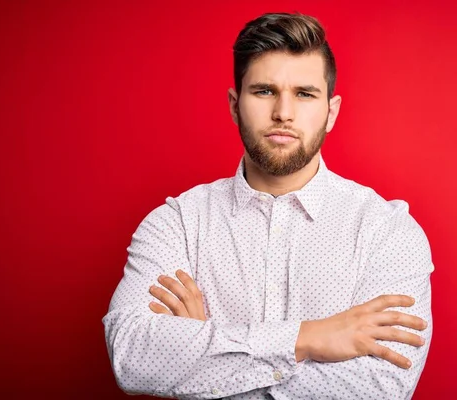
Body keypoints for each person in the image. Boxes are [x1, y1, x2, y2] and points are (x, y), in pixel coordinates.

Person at [103, 12, 434, 399]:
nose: (283, 113)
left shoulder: (387, 231)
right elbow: (132, 356)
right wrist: (308, 339)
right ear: (233, 105)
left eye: (305, 94)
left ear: (331, 112)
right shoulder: (176, 223)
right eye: (264, 91)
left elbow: (382, 388)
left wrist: (202, 359)